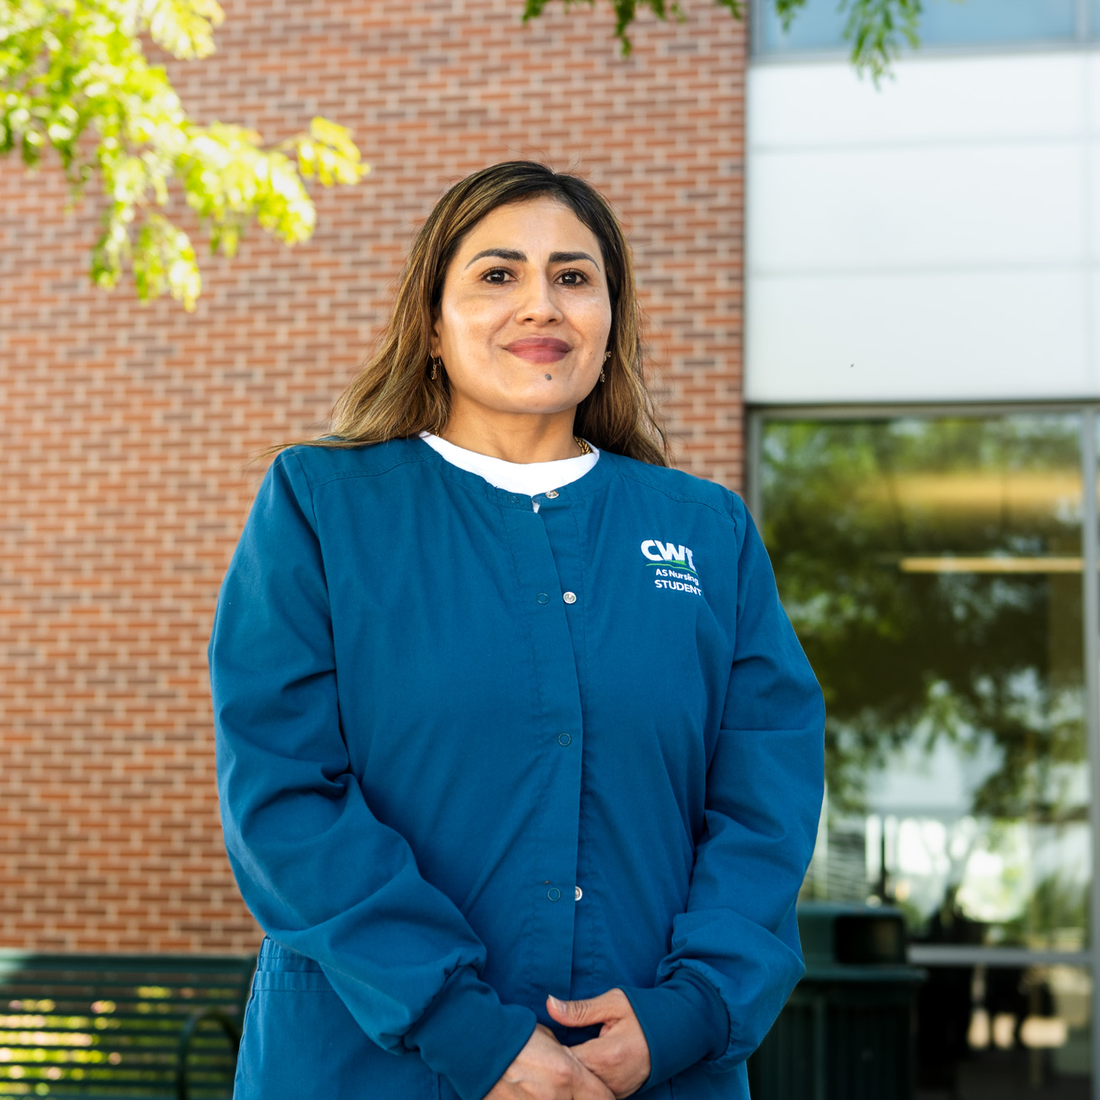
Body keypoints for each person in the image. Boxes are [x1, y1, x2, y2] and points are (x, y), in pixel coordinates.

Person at [209, 161, 825, 1100]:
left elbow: (765, 801)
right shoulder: (322, 507)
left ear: (609, 323)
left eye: (573, 277)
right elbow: (283, 794)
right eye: (498, 275)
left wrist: (692, 1009)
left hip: (654, 1071)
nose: (540, 305)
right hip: (363, 1067)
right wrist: (463, 1024)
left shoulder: (709, 532)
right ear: (431, 324)